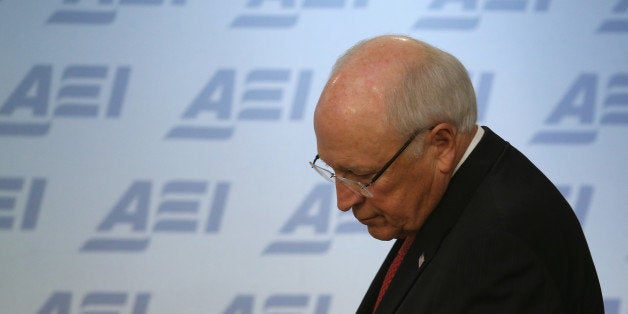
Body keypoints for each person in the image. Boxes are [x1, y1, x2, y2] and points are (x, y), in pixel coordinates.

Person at [310, 35, 603, 313]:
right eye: (332, 169)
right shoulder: (450, 194)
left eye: (362, 175)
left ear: (441, 145)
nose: (343, 201)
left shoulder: (500, 246)